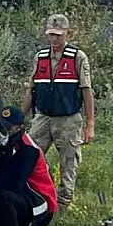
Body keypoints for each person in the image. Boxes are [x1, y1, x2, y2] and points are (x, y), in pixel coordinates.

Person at [22, 13, 95, 208]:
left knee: (69, 161)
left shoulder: (78, 57)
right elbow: (31, 89)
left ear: (68, 35)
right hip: (43, 117)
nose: (54, 39)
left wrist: (89, 125)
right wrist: (21, 118)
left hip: (69, 118)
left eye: (58, 35)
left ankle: (64, 201)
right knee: (29, 154)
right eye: (51, 34)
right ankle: (33, 195)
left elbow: (87, 91)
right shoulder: (41, 57)